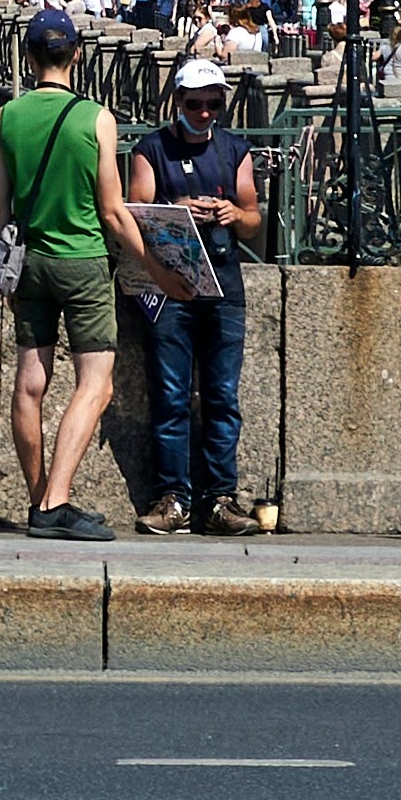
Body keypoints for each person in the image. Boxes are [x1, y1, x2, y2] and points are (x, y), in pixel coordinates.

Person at [0, 5, 149, 542]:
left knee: (30, 382)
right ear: (76, 56)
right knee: (96, 385)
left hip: (29, 260)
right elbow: (111, 211)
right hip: (82, 262)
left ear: (29, 56)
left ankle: (41, 500)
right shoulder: (96, 117)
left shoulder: (6, 117)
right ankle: (55, 502)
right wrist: (157, 265)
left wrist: (8, 261)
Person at [123, 55, 265, 536]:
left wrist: (230, 214)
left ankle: (220, 500)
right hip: (172, 286)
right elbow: (134, 211)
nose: (205, 112)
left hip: (224, 286)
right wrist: (175, 207)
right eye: (196, 103)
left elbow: (253, 217)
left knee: (222, 396)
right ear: (178, 102)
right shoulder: (152, 149)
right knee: (171, 395)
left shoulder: (234, 151)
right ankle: (173, 500)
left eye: (213, 104)